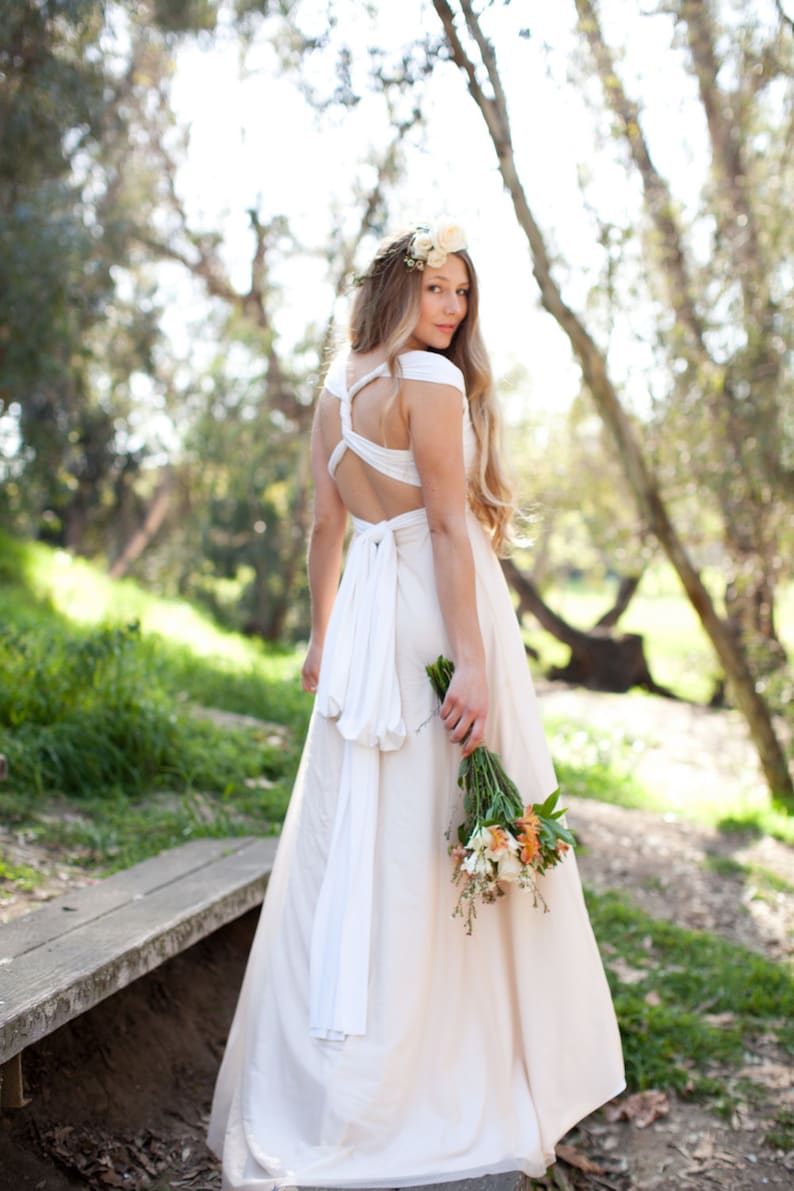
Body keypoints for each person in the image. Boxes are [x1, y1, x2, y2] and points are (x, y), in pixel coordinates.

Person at [208, 221, 624, 1190]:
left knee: (369, 825)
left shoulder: (336, 388)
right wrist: (470, 666)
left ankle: (344, 1065)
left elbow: (325, 524)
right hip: (435, 619)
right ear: (392, 291)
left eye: (461, 294)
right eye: (434, 289)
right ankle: (430, 1070)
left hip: (365, 618)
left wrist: (322, 635)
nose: (450, 309)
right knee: (433, 824)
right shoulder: (428, 384)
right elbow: (443, 522)